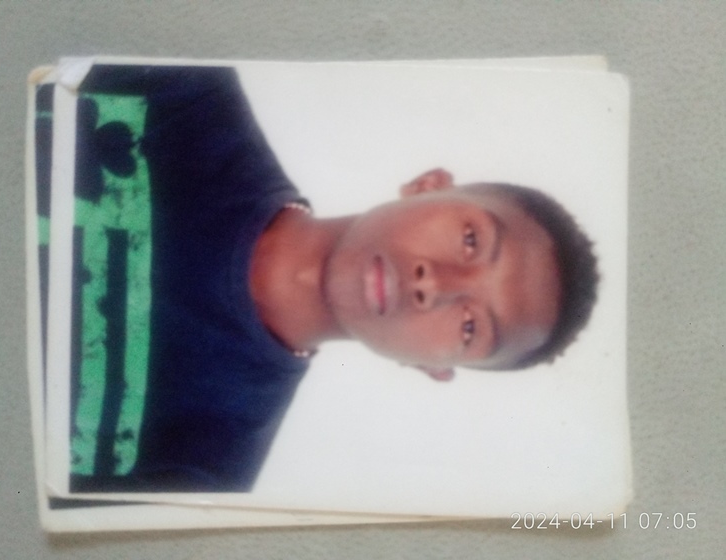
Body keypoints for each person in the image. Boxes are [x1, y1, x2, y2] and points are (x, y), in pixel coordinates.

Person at [70, 64, 598, 492]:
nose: (434, 286)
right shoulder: (184, 90)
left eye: (469, 328)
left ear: (432, 367)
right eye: (470, 240)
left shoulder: (203, 472)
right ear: (428, 185)